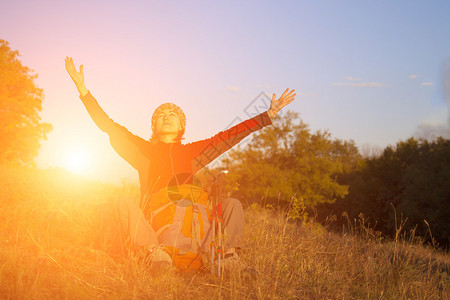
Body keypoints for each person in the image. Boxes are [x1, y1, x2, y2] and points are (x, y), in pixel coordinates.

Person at [64, 56, 296, 272]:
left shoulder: (194, 151)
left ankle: (228, 256)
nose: (166, 116)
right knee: (124, 202)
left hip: (197, 217)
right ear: (153, 125)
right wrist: (83, 90)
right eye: (160, 115)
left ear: (181, 126)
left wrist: (267, 115)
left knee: (232, 204)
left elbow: (229, 137)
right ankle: (154, 252)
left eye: (173, 114)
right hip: (161, 218)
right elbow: (108, 125)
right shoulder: (140, 150)